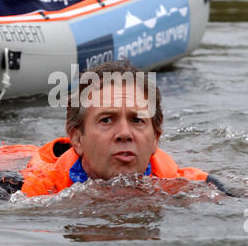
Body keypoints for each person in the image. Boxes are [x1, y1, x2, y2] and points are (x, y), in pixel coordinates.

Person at [18, 60, 229, 197]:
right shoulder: (32, 191)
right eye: (106, 120)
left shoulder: (197, 188)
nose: (125, 134)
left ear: (156, 138)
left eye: (137, 120)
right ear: (77, 139)